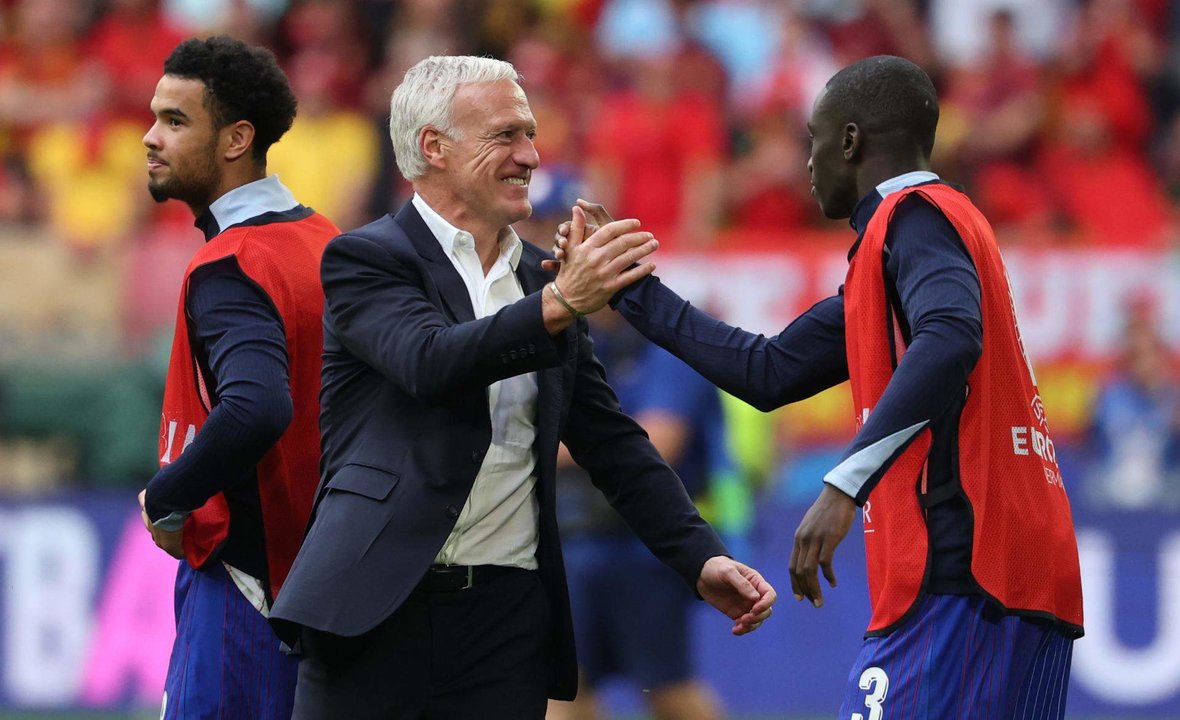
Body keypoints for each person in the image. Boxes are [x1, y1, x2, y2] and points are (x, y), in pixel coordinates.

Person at [559, 55, 1084, 718]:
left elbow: (950, 336)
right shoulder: (913, 244)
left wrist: (844, 484)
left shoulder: (915, 215)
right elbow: (769, 370)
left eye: (814, 139)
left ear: (851, 141)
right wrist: (631, 291)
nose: (807, 164)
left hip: (963, 571)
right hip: (1023, 577)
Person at [268, 55, 776, 720]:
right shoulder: (368, 258)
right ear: (434, 148)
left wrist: (699, 557)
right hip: (375, 609)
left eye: (530, 134)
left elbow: (611, 441)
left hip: (505, 623)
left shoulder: (544, 284)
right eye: (506, 135)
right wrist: (562, 302)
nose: (531, 154)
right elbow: (428, 361)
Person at [136, 36, 340, 720]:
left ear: (236, 139)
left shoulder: (233, 264)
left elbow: (257, 408)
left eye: (175, 120)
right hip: (323, 594)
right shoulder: (327, 240)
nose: (149, 137)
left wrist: (167, 496)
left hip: (247, 593)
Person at [548, 309, 734, 720]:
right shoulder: (576, 338)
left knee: (669, 691)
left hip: (645, 550)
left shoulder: (669, 346)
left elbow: (659, 441)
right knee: (565, 687)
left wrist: (546, 442)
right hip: (573, 545)